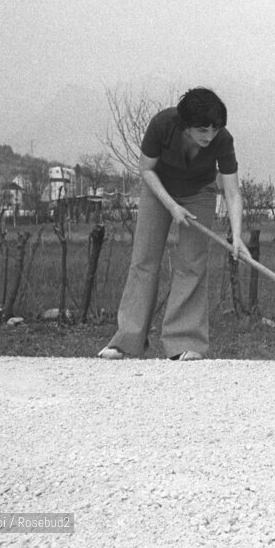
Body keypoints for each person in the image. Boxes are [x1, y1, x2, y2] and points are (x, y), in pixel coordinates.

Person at [98, 87, 247, 361]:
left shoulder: (223, 140)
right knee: (144, 259)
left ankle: (184, 343)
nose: (209, 136)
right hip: (159, 190)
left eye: (215, 129)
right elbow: (146, 169)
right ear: (186, 125)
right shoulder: (162, 125)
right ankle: (126, 341)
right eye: (203, 130)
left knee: (192, 264)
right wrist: (171, 205)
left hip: (199, 193)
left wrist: (236, 235)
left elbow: (232, 191)